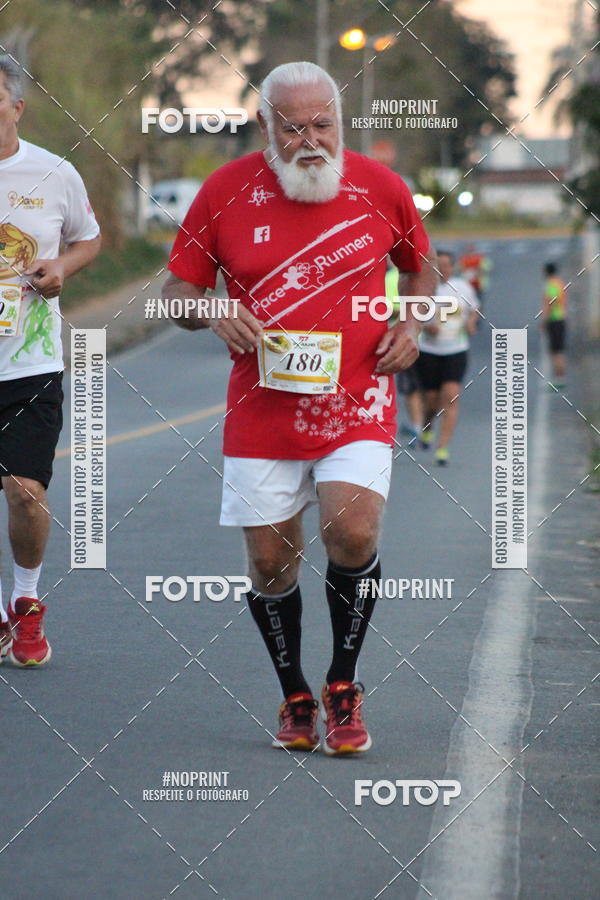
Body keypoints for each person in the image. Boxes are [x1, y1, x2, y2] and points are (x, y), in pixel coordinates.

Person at [163, 61, 436, 754]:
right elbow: (175, 295)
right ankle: (295, 693)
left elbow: (420, 268)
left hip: (358, 397)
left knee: (354, 532)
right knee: (270, 564)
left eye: (324, 124)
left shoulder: (382, 187)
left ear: (340, 121)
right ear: (265, 126)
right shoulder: (223, 192)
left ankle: (343, 684)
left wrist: (412, 325)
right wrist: (212, 309)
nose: (311, 140)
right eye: (293, 129)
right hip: (262, 408)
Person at [0, 56, 101, 665]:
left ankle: (26, 600)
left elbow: (88, 237)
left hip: (28, 362)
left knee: (25, 492)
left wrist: (62, 265)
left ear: (16, 107)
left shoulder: (53, 172)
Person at [417, 250, 478, 466]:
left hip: (456, 350)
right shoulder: (423, 288)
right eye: (439, 266)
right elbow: (412, 315)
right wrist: (426, 326)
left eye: (447, 266)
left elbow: (474, 309)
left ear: (453, 267)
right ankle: (427, 426)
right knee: (431, 401)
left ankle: (442, 448)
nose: (443, 270)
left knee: (451, 396)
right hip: (429, 351)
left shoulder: (463, 287)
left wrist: (471, 322)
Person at [385, 261, 423, 445]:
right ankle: (416, 427)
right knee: (411, 387)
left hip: (407, 341)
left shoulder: (396, 277)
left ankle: (418, 427)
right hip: (404, 340)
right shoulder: (392, 277)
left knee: (412, 387)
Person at [541, 262, 567, 387]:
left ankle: (559, 380)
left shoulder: (551, 285)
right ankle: (560, 379)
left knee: (555, 352)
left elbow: (550, 303)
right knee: (559, 350)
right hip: (561, 318)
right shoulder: (560, 283)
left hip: (554, 320)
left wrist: (544, 321)